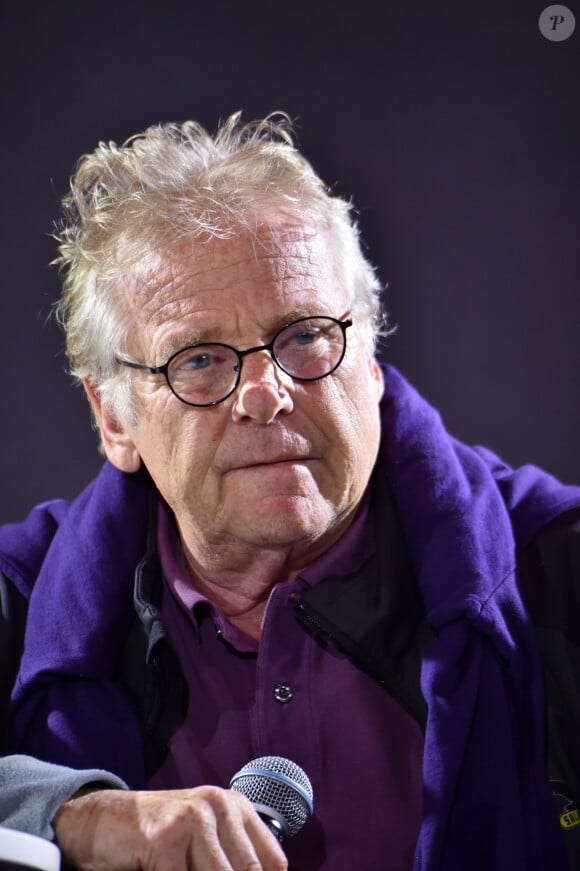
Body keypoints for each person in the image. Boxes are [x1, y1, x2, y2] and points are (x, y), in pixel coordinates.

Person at [4, 112, 580, 870]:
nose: (266, 392)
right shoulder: (18, 593)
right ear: (113, 417)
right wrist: (70, 817)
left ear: (369, 362)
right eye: (200, 358)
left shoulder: (559, 571)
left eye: (305, 335)